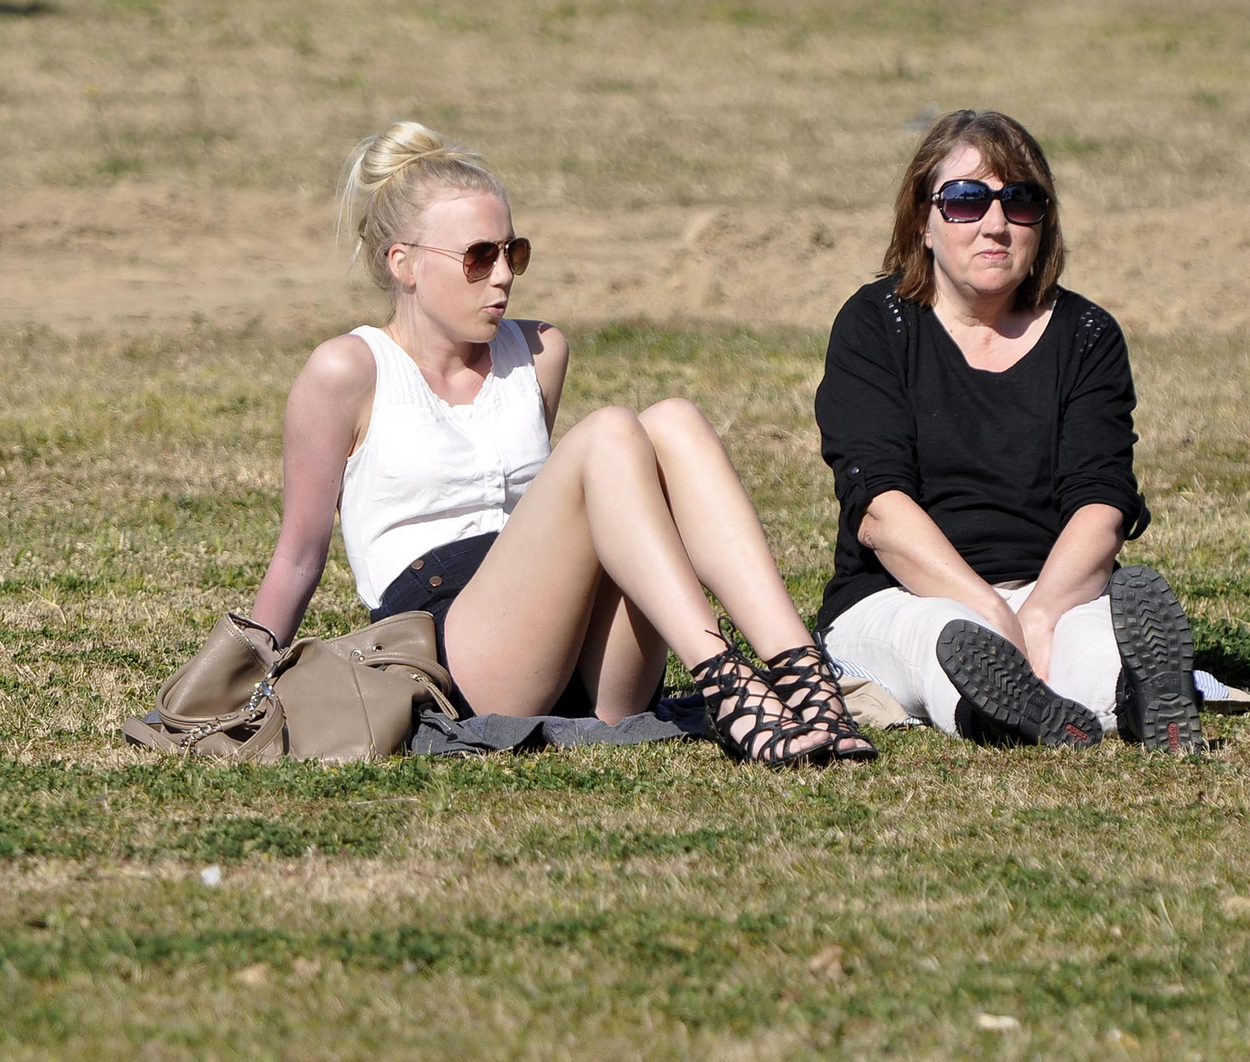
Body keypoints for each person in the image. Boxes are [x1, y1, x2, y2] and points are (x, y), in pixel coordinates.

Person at [248, 120, 875, 767]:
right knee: (609, 432)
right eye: (477, 256)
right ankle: (727, 682)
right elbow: (298, 557)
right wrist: (244, 684)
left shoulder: (539, 351)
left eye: (512, 252)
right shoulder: (348, 370)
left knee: (674, 421)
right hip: (448, 648)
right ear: (401, 262)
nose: (502, 276)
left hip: (576, 648)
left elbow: (553, 521)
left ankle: (806, 677)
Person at [813, 109, 1205, 753]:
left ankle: (1137, 701)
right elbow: (880, 510)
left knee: (1092, 640)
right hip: (902, 593)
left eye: (1020, 201)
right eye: (966, 200)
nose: (996, 223)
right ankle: (1004, 707)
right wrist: (992, 612)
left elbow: (1102, 500)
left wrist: (1041, 613)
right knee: (939, 636)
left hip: (1052, 587)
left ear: (1042, 223)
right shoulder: (875, 324)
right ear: (923, 222)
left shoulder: (1087, 335)